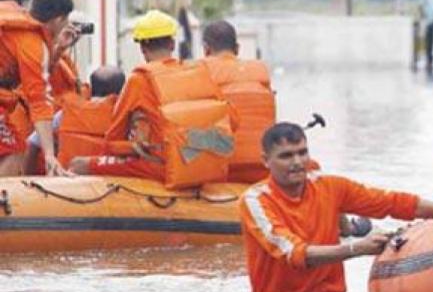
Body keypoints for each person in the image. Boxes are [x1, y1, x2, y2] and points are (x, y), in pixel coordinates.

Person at [240, 122, 433, 292]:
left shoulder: (330, 186)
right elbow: (293, 253)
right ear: (266, 160)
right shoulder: (255, 200)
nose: (297, 162)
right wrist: (357, 248)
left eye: (302, 153)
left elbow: (392, 202)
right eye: (286, 155)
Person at [70, 10, 233, 185]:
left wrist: (131, 148)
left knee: (78, 164)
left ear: (142, 49)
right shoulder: (199, 72)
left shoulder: (139, 80)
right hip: (198, 167)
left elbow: (111, 141)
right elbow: (231, 120)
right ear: (172, 44)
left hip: (158, 168)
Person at [0, 0, 78, 177]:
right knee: (14, 152)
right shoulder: (32, 43)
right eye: (66, 20)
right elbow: (39, 101)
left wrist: (57, 50)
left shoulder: (8, 13)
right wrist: (50, 155)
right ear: (58, 20)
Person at [200, 20, 275, 183]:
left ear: (206, 50)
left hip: (225, 170)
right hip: (266, 166)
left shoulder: (198, 71)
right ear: (237, 49)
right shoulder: (260, 70)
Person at [25, 66, 125, 173]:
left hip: (65, 182)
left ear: (91, 89)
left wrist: (29, 177)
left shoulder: (67, 111)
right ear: (123, 92)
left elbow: (32, 143)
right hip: (109, 184)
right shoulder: (123, 116)